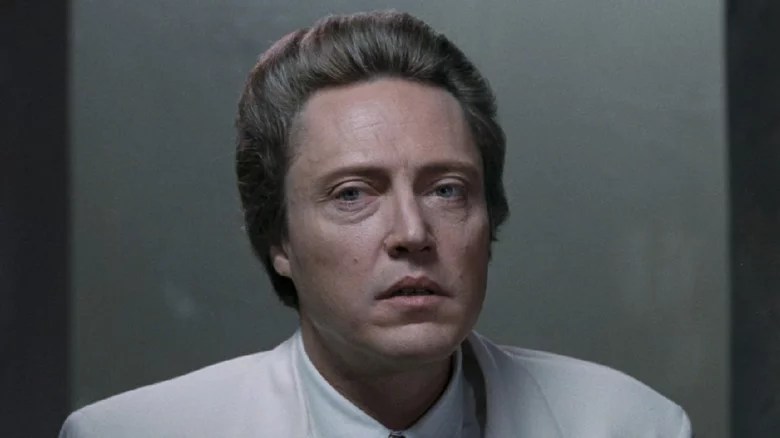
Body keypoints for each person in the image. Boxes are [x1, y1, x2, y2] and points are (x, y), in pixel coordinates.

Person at [60, 10, 691, 437]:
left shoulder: (630, 425)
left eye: (447, 190)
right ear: (279, 240)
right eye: (353, 194)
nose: (412, 232)